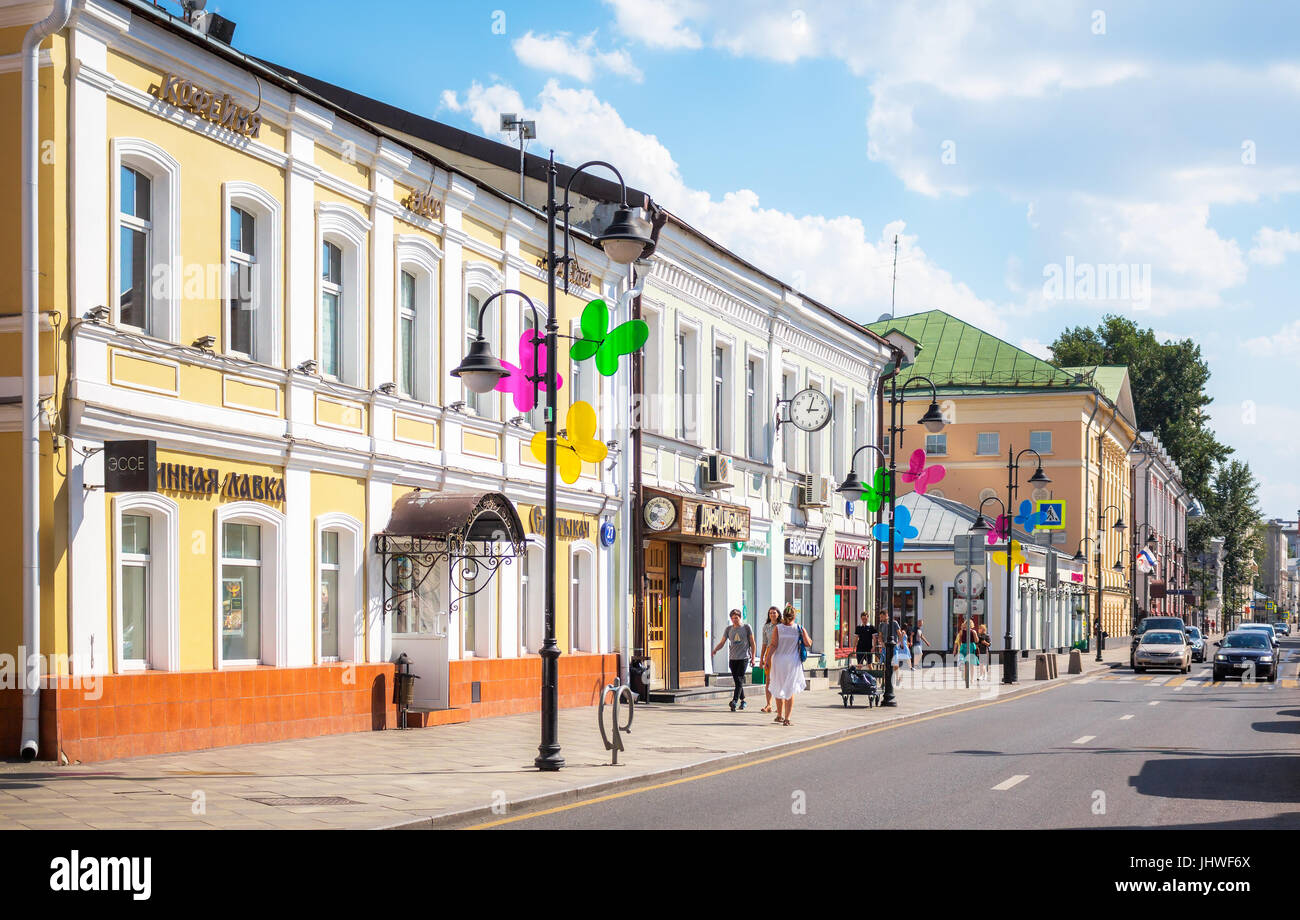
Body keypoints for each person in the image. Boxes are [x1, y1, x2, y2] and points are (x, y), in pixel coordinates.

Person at [763, 606, 810, 725]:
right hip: (792, 662)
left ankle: (779, 716)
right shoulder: (798, 628)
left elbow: (773, 645)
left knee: (778, 686)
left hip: (778, 661)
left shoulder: (778, 628)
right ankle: (787, 719)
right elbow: (808, 643)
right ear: (794, 616)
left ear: (783, 615)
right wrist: (803, 632)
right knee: (790, 689)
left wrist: (767, 660)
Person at [712, 609, 755, 711]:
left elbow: (752, 643)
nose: (734, 620)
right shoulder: (728, 629)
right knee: (737, 681)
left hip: (743, 658)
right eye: (732, 618)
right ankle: (743, 700)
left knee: (739, 679)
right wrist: (715, 650)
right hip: (732, 659)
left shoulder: (746, 627)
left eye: (736, 618)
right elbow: (722, 642)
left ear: (740, 617)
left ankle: (734, 701)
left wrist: (753, 658)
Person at [759, 606, 781, 712]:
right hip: (769, 653)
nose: (772, 615)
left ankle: (780, 705)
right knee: (768, 680)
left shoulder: (782, 626)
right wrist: (761, 659)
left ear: (778, 614)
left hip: (779, 653)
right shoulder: (766, 627)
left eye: (774, 613)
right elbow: (764, 644)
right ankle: (768, 704)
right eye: (770, 613)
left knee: (779, 680)